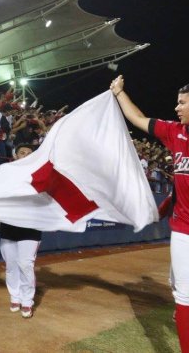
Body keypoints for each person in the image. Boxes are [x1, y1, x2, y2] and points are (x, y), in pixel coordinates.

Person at [110, 75, 188, 351]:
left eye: (182, 103)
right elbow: (139, 119)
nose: (177, 108)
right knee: (182, 294)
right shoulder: (174, 131)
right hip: (183, 230)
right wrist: (119, 94)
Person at [0, 143, 41, 319]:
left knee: (26, 264)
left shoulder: (40, 174)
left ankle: (27, 301)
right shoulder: (5, 172)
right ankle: (15, 296)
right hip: (8, 225)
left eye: (29, 153)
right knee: (11, 265)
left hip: (31, 226)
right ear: (15, 156)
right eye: (22, 152)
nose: (25, 155)